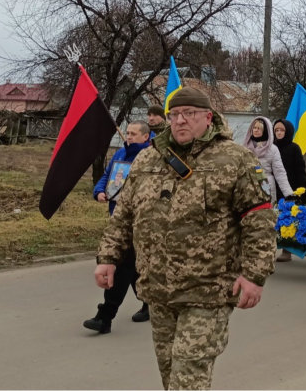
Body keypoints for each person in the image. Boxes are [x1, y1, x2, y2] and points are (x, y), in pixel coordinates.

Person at [95, 87, 276, 391]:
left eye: (188, 114)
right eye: (174, 115)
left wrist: (255, 275)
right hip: (158, 289)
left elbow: (259, 220)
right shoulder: (148, 160)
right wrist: (108, 258)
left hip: (209, 290)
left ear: (208, 117)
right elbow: (124, 214)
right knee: (170, 373)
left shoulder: (235, 159)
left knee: (188, 375)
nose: (180, 121)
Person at [84, 122, 152, 333]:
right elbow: (108, 175)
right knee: (132, 269)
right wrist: (99, 191)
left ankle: (104, 316)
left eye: (133, 134)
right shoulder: (121, 153)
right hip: (118, 218)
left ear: (146, 137)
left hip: (140, 222)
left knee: (122, 265)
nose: (129, 137)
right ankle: (150, 303)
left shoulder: (150, 157)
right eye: (128, 133)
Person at [273, 119, 306, 263]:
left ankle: (286, 251)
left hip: (290, 188)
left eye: (282, 130)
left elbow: (300, 169)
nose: (279, 133)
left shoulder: (294, 148)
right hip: (273, 187)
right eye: (276, 130)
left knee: (287, 219)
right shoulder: (271, 147)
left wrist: (301, 189)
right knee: (274, 219)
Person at [243, 117, 293, 204]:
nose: (255, 130)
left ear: (266, 130)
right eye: (254, 128)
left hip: (266, 187)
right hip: (247, 188)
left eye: (259, 128)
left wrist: (289, 194)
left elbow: (280, 173)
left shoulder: (273, 149)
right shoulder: (244, 148)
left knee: (267, 215)